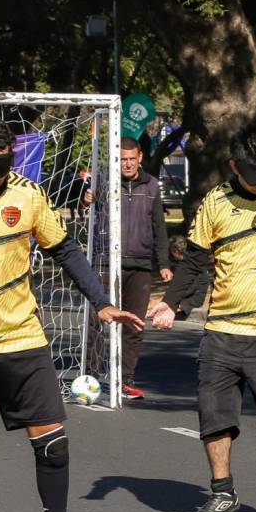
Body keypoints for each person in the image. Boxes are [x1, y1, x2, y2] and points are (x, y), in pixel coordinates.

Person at [0, 113, 143, 512]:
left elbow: (66, 251)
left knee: (53, 444)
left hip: (22, 339)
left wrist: (101, 302)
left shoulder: (28, 194)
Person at [148, 124, 256, 512]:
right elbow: (192, 261)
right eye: (254, 176)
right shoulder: (215, 204)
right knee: (214, 417)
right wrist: (169, 304)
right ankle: (222, 493)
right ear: (233, 167)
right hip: (222, 332)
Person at [83, 137, 172, 399]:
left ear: (140, 157)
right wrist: (86, 200)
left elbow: (159, 227)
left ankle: (124, 379)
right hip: (106, 261)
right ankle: (92, 376)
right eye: (123, 159)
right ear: (116, 160)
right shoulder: (103, 180)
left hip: (140, 263)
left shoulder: (152, 185)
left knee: (134, 324)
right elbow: (82, 208)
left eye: (132, 159)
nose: (128, 164)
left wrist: (163, 263)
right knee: (98, 320)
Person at [168, 234, 211, 320]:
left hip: (188, 305)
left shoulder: (191, 267)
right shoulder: (188, 265)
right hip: (183, 303)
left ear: (175, 251)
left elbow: (192, 293)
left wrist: (172, 303)